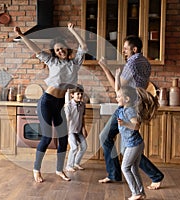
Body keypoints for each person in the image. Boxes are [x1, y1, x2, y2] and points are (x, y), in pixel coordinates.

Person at [14, 23, 88, 183]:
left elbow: (83, 46)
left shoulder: (75, 63)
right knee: (47, 138)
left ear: (67, 49)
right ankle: (36, 169)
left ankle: (59, 170)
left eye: (62, 48)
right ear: (54, 53)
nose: (60, 51)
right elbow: (35, 50)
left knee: (63, 138)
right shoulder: (52, 62)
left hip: (59, 103)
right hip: (46, 102)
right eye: (56, 50)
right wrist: (22, 36)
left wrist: (72, 30)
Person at [98, 35, 164, 190]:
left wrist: (104, 67)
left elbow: (117, 87)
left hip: (128, 107)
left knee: (125, 144)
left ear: (134, 49)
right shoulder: (146, 62)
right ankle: (114, 174)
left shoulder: (132, 62)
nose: (124, 51)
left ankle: (155, 175)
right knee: (126, 143)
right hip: (133, 105)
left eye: (126, 48)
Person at [115, 85, 159, 200]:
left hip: (133, 145)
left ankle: (136, 193)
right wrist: (118, 77)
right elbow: (118, 90)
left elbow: (136, 125)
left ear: (127, 99)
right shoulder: (123, 108)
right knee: (133, 168)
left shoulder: (129, 111)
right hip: (136, 143)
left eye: (119, 97)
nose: (116, 98)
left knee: (125, 168)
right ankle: (141, 193)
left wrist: (124, 124)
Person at [65, 85, 88, 172]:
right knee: (74, 147)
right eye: (77, 94)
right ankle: (69, 165)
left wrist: (83, 128)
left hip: (78, 130)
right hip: (70, 131)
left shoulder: (82, 105)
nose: (80, 96)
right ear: (72, 95)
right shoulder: (69, 105)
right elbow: (67, 119)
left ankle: (76, 163)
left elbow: (82, 117)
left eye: (81, 94)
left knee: (84, 147)